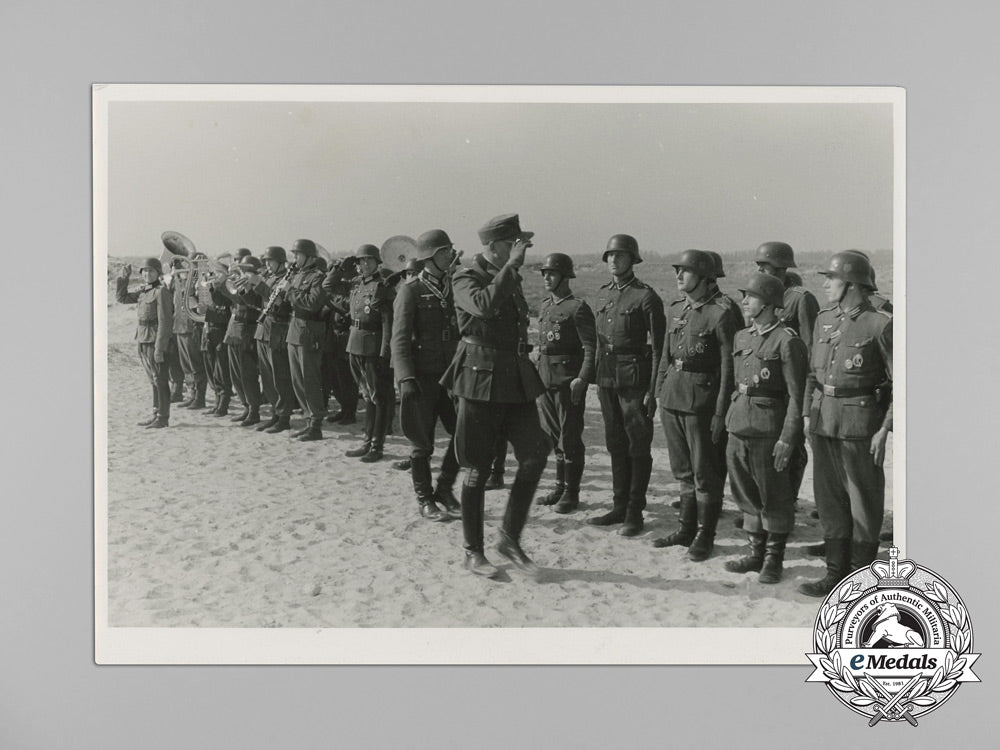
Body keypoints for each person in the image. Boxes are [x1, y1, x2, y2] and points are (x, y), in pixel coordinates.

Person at [440, 213, 550, 579]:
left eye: (521, 246)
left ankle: (509, 538)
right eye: (511, 245)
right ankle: (474, 551)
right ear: (490, 246)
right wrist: (511, 268)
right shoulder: (464, 276)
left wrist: (511, 269)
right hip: (479, 380)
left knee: (535, 453)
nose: (517, 251)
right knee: (476, 466)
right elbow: (483, 305)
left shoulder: (510, 277)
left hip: (514, 378)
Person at [799, 252, 892, 597]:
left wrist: (885, 429)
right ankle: (834, 574)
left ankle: (860, 582)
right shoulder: (824, 320)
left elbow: (901, 383)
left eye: (831, 278)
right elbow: (812, 373)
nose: (824, 283)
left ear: (851, 284)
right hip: (824, 420)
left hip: (860, 423)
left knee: (863, 502)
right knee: (829, 499)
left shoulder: (879, 324)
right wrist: (809, 414)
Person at [651, 249, 738, 560]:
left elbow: (729, 366)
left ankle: (705, 534)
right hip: (674, 397)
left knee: (706, 472)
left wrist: (720, 411)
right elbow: (665, 355)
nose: (678, 276)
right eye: (678, 270)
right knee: (683, 469)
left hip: (702, 402)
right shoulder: (677, 309)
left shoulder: (722, 312)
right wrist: (661, 390)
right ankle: (686, 527)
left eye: (685, 272)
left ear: (705, 278)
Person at [723, 274, 807, 583]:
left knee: (775, 497)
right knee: (746, 494)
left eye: (751, 296)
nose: (744, 301)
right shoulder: (742, 337)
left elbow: (798, 397)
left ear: (770, 304)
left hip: (769, 430)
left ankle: (774, 559)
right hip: (739, 424)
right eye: (744, 296)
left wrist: (788, 438)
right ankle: (755, 553)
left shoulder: (787, 341)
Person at [587, 234, 665, 536]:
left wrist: (653, 391)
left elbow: (659, 349)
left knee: (637, 445)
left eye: (619, 256)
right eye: (609, 255)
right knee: (614, 443)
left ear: (633, 260)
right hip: (607, 378)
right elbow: (597, 341)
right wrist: (595, 379)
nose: (613, 261)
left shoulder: (646, 296)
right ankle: (619, 506)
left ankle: (635, 512)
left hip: (635, 380)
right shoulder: (602, 294)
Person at [391, 229, 463, 520]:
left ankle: (444, 488)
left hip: (451, 376)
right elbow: (399, 339)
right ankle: (425, 499)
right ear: (432, 256)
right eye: (446, 251)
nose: (451, 255)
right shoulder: (410, 290)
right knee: (422, 442)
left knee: (462, 435)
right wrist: (406, 378)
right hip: (422, 376)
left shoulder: (455, 286)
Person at [754, 241, 820, 512]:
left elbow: (810, 347)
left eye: (764, 265)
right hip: (769, 385)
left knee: (793, 447)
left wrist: (806, 391)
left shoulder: (799, 298)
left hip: (792, 384)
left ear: (780, 266)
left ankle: (789, 501)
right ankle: (769, 503)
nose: (759, 269)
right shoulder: (763, 295)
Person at [534, 253, 596, 514]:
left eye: (551, 273)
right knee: (552, 435)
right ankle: (560, 486)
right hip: (545, 380)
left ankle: (572, 493)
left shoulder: (577, 307)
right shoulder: (546, 306)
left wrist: (582, 378)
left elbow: (591, 347)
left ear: (564, 276)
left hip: (567, 381)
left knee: (569, 438)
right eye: (544, 273)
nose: (546, 277)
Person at [340, 244, 395, 462]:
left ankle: (377, 445)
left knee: (378, 398)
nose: (365, 264)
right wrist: (340, 268)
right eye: (361, 261)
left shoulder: (382, 286)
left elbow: (387, 322)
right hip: (355, 344)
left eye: (369, 260)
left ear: (377, 262)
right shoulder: (357, 285)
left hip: (373, 347)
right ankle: (367, 441)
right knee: (367, 396)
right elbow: (330, 287)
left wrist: (385, 352)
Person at [115, 258, 174, 428]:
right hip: (143, 339)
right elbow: (122, 298)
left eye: (151, 271)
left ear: (158, 273)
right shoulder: (144, 291)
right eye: (144, 271)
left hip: (155, 341)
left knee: (161, 380)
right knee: (153, 380)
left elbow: (165, 322)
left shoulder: (160, 292)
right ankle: (156, 413)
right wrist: (123, 279)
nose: (147, 274)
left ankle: (163, 417)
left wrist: (160, 347)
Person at [284, 239, 329, 441]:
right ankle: (308, 418)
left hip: (309, 331)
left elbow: (312, 303)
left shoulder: (318, 277)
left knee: (310, 379)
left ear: (309, 257)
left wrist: (290, 291)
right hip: (295, 330)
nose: (294, 258)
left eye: (297, 255)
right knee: (298, 381)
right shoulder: (297, 275)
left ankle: (316, 423)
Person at [249, 246, 296, 433]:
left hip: (277, 329)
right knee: (267, 376)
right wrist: (249, 288)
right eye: (266, 261)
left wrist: (259, 285)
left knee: (280, 376)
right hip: (264, 330)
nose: (267, 264)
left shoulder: (287, 278)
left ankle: (284, 416)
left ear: (280, 261)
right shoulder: (269, 278)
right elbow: (257, 303)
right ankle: (275, 414)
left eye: (270, 261)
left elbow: (280, 305)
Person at [214, 255, 263, 426]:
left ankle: (254, 409)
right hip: (234, 331)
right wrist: (221, 286)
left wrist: (224, 286)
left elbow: (240, 300)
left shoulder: (255, 286)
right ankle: (246, 406)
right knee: (236, 376)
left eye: (245, 269)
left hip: (246, 332)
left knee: (247, 375)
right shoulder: (241, 284)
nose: (242, 272)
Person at [321, 256, 360, 426]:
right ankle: (344, 409)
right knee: (336, 379)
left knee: (347, 380)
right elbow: (327, 286)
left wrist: (339, 272)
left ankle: (350, 412)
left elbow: (332, 292)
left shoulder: (356, 285)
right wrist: (336, 270)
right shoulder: (342, 285)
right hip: (335, 336)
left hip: (346, 335)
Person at [170, 253, 209, 410]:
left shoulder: (201, 281)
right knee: (186, 366)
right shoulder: (183, 280)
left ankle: (200, 397)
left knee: (196, 365)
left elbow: (203, 304)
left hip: (192, 327)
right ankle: (193, 394)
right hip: (180, 326)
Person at [202, 259, 234, 416]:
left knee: (222, 369)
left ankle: (224, 403)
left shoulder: (228, 286)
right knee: (213, 368)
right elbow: (205, 307)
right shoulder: (211, 286)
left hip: (223, 328)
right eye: (215, 272)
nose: (216, 275)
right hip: (211, 328)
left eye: (219, 272)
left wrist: (219, 286)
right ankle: (217, 400)